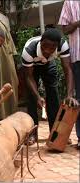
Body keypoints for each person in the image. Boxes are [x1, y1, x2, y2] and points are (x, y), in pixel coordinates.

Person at [22, 28, 78, 144]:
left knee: (53, 96)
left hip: (48, 65)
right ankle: (33, 134)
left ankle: (55, 134)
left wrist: (69, 95)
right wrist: (38, 97)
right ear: (40, 42)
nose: (47, 51)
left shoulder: (63, 45)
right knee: (32, 99)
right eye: (44, 46)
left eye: (52, 48)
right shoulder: (29, 50)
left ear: (57, 46)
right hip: (32, 68)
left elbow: (68, 70)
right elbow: (28, 77)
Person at [58, 0, 80, 149]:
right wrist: (78, 22)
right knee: (79, 99)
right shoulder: (70, 2)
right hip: (78, 57)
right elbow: (65, 30)